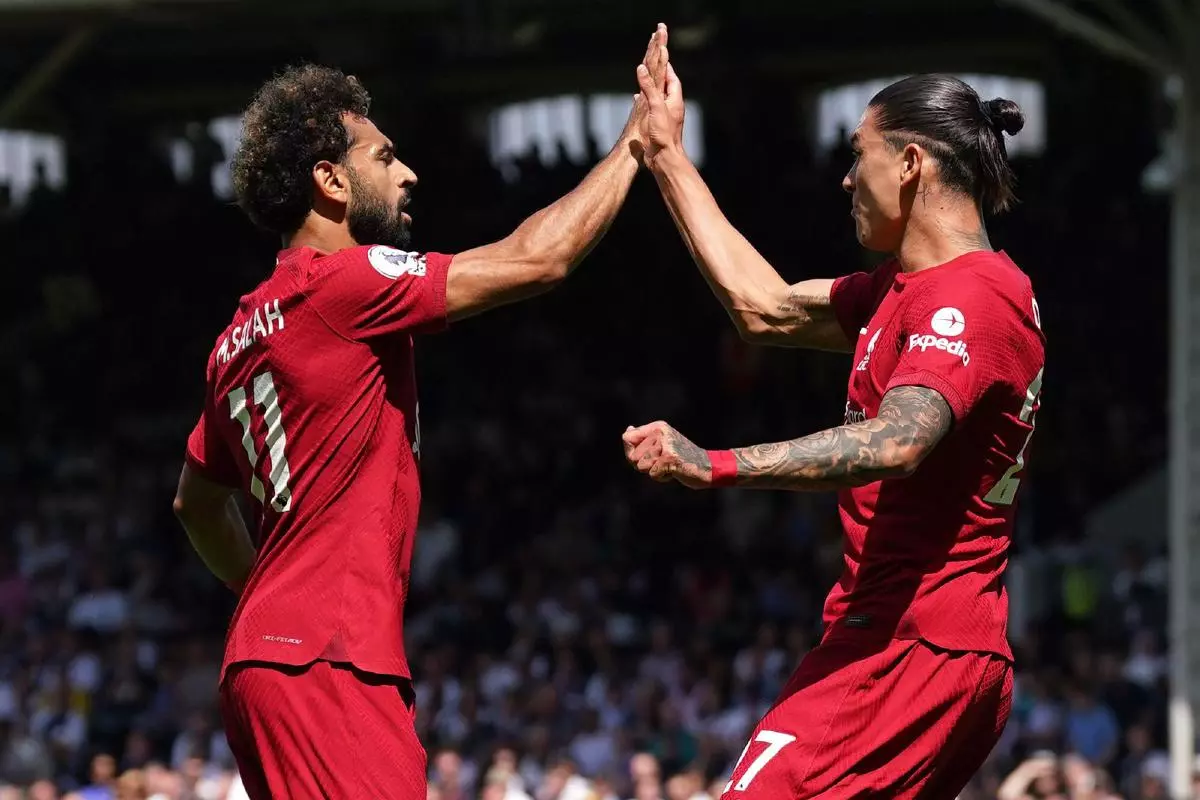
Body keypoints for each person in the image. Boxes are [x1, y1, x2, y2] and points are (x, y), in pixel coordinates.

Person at [171, 28, 670, 800]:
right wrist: (636, 143)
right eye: (384, 157)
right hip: (329, 659)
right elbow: (537, 259)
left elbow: (196, 503)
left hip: (267, 659)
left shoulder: (236, 336)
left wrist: (267, 594)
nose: (408, 174)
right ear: (331, 181)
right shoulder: (344, 282)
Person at [622, 52, 1044, 798]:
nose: (847, 179)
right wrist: (666, 157)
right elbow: (765, 308)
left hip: (906, 649)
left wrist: (714, 464)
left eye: (858, 154)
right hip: (915, 647)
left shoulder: (971, 297)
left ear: (909, 163)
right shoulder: (902, 290)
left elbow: (898, 441)